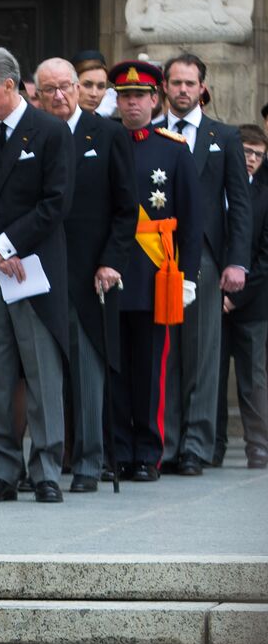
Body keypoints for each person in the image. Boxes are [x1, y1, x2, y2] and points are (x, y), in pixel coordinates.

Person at [0, 48, 74, 505]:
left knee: (43, 375)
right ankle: (1, 472)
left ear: (10, 86)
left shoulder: (50, 131)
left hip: (34, 272)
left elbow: (55, 202)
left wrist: (4, 244)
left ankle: (46, 470)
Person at [36, 58, 138, 493]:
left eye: (65, 87)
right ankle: (46, 461)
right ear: (36, 95)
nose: (58, 96)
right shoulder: (33, 135)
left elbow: (126, 206)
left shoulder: (109, 133)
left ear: (78, 88)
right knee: (43, 372)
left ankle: (89, 463)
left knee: (90, 372)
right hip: (40, 271)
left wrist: (113, 260)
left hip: (91, 271)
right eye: (48, 90)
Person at [155, 53, 252, 477]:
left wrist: (238, 262)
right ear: (165, 86)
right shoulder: (150, 133)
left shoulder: (224, 136)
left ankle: (195, 443)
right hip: (155, 257)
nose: (182, 90)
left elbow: (240, 205)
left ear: (202, 88)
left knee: (201, 354)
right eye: (175, 83)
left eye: (189, 84)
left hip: (206, 257)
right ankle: (167, 443)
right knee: (165, 353)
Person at [108, 59, 201, 481]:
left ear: (154, 98)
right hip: (109, 272)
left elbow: (192, 220)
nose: (132, 104)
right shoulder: (103, 140)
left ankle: (147, 453)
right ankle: (118, 451)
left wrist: (190, 276)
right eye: (125, 96)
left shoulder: (173, 149)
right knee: (115, 368)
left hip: (155, 272)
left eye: (140, 96)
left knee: (150, 370)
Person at [215, 123, 268, 468]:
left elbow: (265, 256)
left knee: (252, 378)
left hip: (253, 302)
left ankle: (258, 445)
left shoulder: (265, 191)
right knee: (212, 377)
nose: (250, 159)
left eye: (258, 155)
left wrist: (237, 296)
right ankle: (213, 444)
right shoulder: (217, 186)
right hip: (212, 299)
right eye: (245, 152)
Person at [73, 50, 117, 117]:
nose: (94, 94)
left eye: (101, 86)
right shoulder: (55, 126)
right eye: (87, 85)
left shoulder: (112, 127)